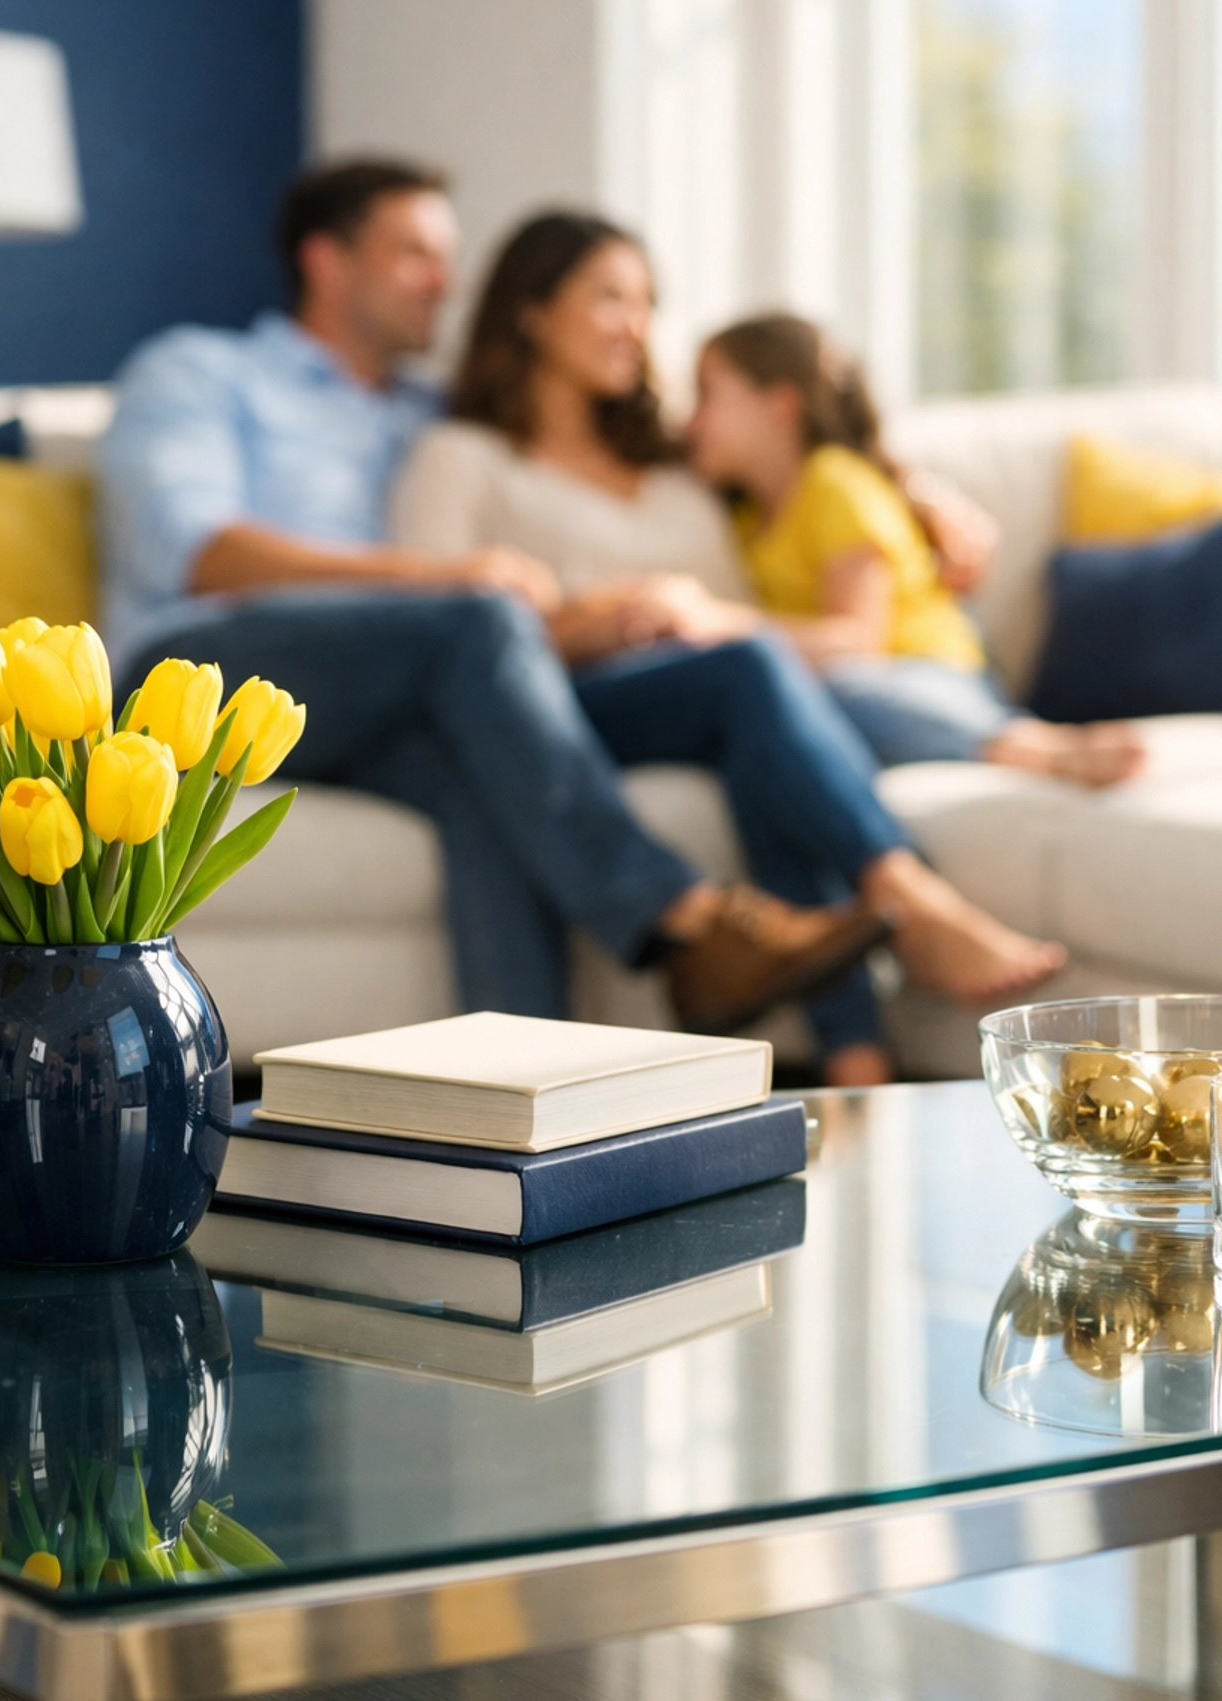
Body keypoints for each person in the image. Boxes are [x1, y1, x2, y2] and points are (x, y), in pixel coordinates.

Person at [99, 158, 904, 1039]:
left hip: (373, 697)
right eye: (414, 253)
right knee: (481, 620)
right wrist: (444, 576)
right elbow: (197, 552)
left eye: (446, 256)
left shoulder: (428, 409)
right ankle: (686, 917)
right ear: (326, 262)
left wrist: (904, 487)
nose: (444, 280)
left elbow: (700, 444)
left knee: (483, 769)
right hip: (200, 679)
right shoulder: (202, 371)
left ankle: (526, 1103)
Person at [392, 209, 1067, 1086]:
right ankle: (906, 895)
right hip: (558, 704)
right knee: (749, 670)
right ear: (530, 311)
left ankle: (855, 1062)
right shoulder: (464, 456)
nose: (637, 326)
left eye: (646, 304)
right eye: (609, 298)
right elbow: (440, 644)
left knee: (765, 740)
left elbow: (805, 451)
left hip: (700, 690)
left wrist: (919, 491)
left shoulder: (681, 463)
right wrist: (590, 622)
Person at [688, 312, 1145, 783]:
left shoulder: (833, 484)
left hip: (928, 673)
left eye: (706, 395)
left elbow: (857, 640)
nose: (691, 421)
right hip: (883, 686)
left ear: (779, 405)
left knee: (835, 689)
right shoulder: (747, 510)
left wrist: (723, 624)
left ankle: (1038, 749)